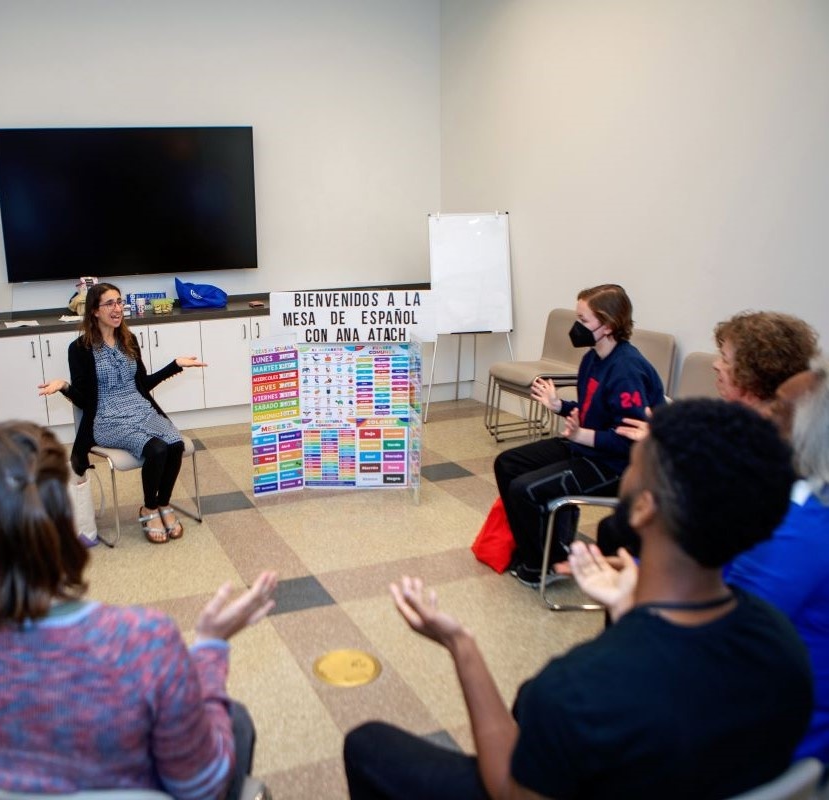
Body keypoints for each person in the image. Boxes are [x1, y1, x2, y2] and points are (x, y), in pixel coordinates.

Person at [345, 399, 813, 800]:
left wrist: (460, 645)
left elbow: (511, 790)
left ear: (647, 506)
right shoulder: (783, 646)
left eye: (634, 462)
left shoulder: (578, 689)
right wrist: (627, 610)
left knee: (368, 745)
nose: (626, 471)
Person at [0, 421, 276, 798]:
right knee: (234, 720)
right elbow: (202, 785)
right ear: (59, 521)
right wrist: (210, 647)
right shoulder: (141, 641)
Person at [582, 363, 829, 764]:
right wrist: (639, 570)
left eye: (779, 408)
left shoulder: (801, 531)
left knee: (548, 707)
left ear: (809, 434)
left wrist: (631, 601)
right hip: (742, 697)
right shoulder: (796, 501)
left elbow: (716, 642)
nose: (767, 412)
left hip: (751, 731)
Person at [600, 309, 819, 556]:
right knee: (614, 528)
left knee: (619, 530)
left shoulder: (769, 441)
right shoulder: (736, 420)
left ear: (756, 371)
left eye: (725, 359)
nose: (715, 365)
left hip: (713, 549)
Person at [492, 284, 665, 586]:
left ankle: (544, 565)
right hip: (586, 447)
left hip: (617, 466)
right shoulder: (592, 359)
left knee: (525, 489)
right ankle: (541, 550)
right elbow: (590, 412)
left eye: (583, 321)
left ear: (608, 326)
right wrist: (560, 405)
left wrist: (579, 435)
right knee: (507, 463)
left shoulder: (626, 370)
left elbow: (628, 440)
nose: (576, 327)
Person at [39, 282, 206, 544]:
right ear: (94, 310)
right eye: (110, 303)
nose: (118, 309)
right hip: (107, 417)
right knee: (157, 449)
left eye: (120, 302)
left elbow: (143, 384)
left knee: (174, 444)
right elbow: (84, 400)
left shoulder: (129, 340)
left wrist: (175, 365)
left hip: (140, 409)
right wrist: (64, 387)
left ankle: (163, 504)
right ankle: (148, 509)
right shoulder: (79, 349)